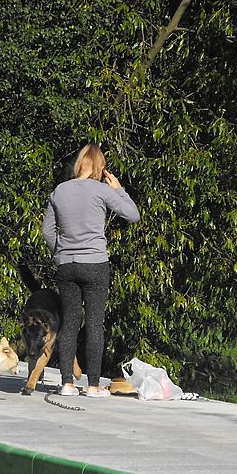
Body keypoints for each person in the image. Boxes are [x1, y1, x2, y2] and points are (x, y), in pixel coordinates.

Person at [41, 143, 140, 398]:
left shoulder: (59, 191)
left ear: (79, 164)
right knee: (95, 324)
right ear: (99, 167)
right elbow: (132, 215)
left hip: (66, 265)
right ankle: (93, 385)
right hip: (95, 264)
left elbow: (47, 232)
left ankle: (66, 383)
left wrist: (61, 252)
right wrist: (118, 189)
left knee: (70, 323)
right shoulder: (101, 191)